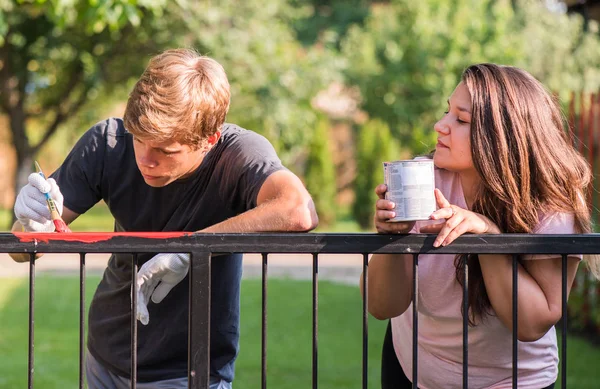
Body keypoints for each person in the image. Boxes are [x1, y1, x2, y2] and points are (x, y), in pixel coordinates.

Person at [11, 48, 318, 389]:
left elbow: (297, 208)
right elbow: (23, 250)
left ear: (209, 139)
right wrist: (29, 224)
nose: (145, 159)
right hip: (106, 355)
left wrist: (192, 249)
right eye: (139, 140)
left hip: (191, 368)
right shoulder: (107, 143)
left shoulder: (239, 153)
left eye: (165, 150)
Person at [362, 63, 600, 389]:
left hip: (510, 380)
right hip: (413, 368)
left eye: (461, 119)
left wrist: (487, 238)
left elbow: (532, 324)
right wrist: (393, 239)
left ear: (503, 137)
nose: (439, 125)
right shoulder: (423, 181)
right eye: (447, 112)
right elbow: (381, 306)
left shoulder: (550, 206)